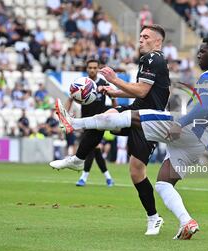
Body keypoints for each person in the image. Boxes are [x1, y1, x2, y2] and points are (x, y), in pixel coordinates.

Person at [54, 35, 208, 240]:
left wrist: (180, 124)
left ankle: (73, 123)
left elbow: (204, 106)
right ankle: (187, 222)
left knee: (132, 117)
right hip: (200, 142)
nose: (198, 55)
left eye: (203, 51)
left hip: (187, 129)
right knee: (163, 183)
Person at [50, 24, 170, 235]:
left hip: (147, 121)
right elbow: (145, 93)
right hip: (137, 113)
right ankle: (78, 158)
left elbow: (142, 91)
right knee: (106, 117)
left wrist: (115, 80)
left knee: (136, 172)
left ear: (157, 41)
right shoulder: (151, 60)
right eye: (140, 35)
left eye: (146, 36)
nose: (140, 39)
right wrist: (115, 92)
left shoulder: (152, 58)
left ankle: (154, 218)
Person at [67, 59, 115, 187]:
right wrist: (66, 114)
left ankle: (84, 177)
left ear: (98, 68)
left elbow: (113, 97)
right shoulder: (82, 83)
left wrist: (116, 112)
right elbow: (70, 98)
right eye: (90, 67)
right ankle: (108, 178)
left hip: (100, 122)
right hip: (86, 122)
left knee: (92, 149)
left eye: (95, 67)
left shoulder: (103, 83)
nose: (92, 70)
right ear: (87, 69)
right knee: (94, 150)